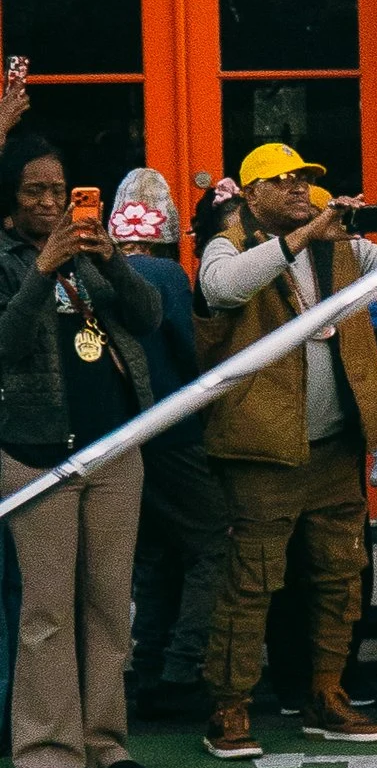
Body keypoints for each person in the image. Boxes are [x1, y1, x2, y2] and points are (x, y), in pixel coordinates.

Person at [194, 145, 377, 760]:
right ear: (251, 194)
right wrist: (302, 238)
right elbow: (224, 289)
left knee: (340, 577)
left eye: (306, 178)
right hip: (261, 452)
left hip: (335, 448)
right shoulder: (228, 241)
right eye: (282, 180)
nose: (298, 188)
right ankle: (229, 709)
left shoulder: (339, 244)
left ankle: (327, 694)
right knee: (251, 583)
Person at [0, 135, 162, 768]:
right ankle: (46, 752)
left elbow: (146, 317)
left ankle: (104, 742)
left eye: (59, 192)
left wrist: (113, 261)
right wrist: (43, 270)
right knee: (46, 610)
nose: (49, 203)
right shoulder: (10, 259)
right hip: (36, 453)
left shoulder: (93, 252)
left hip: (115, 446)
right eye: (34, 191)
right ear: (10, 198)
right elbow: (6, 344)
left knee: (106, 603)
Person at [108, 168, 224, 721]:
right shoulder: (167, 275)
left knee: (152, 556)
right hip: (174, 431)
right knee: (212, 547)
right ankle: (185, 667)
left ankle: (145, 665)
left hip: (119, 436)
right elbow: (189, 353)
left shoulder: (96, 272)